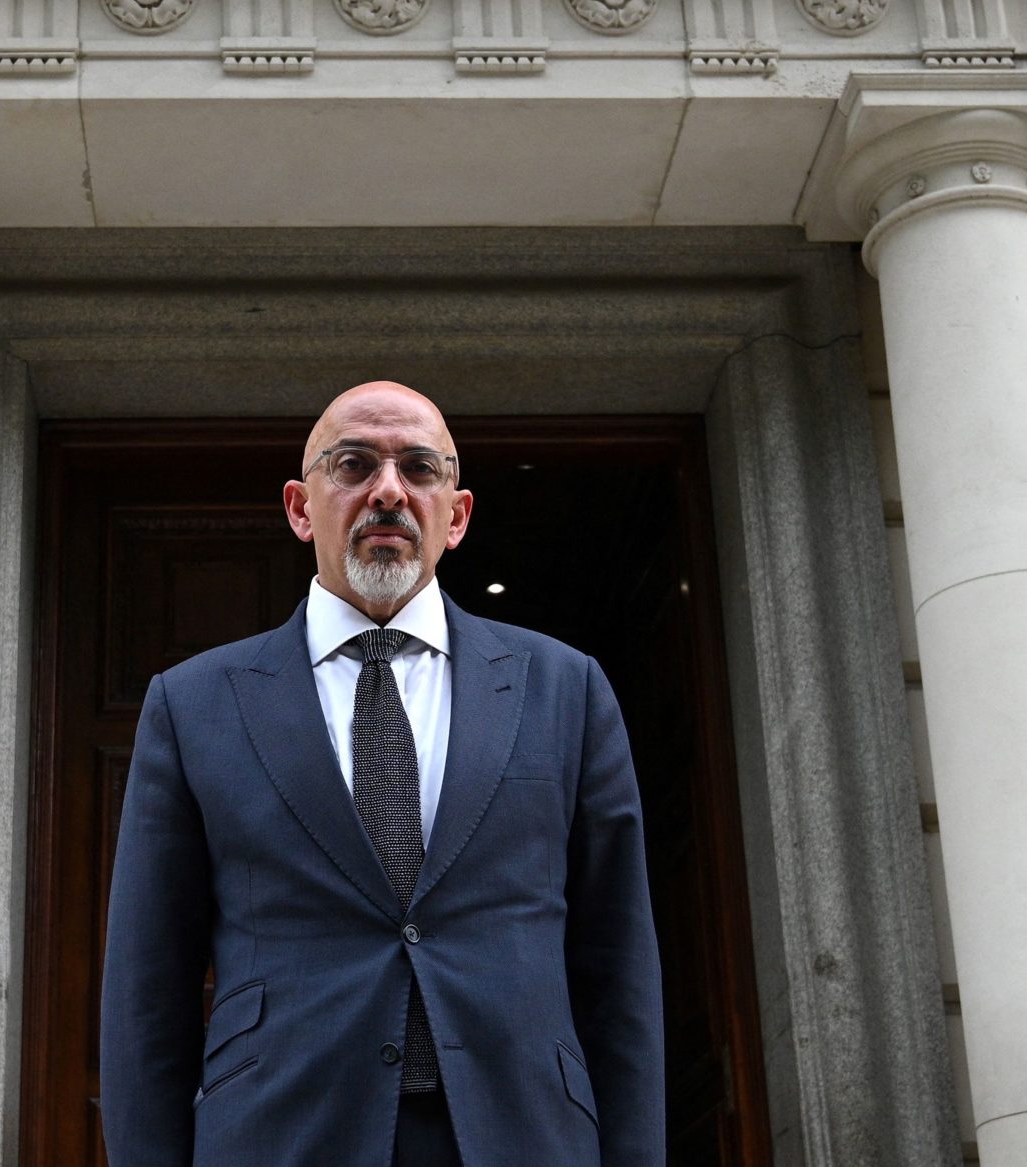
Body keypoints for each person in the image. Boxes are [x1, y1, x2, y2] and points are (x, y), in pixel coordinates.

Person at [98, 380, 666, 1167]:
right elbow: (146, 993)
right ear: (301, 507)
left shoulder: (566, 688)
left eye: (420, 469)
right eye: (355, 464)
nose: (389, 491)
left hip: (523, 1131)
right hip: (280, 1133)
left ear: (457, 515)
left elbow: (620, 971)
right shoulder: (192, 704)